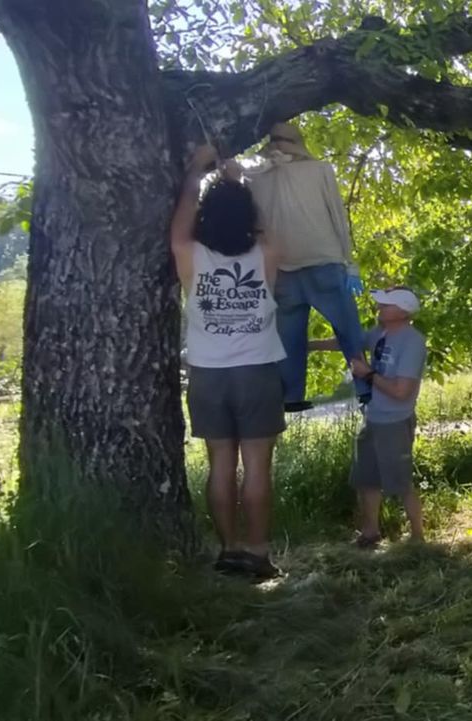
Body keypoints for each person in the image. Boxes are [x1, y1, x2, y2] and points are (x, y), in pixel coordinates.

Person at [169, 145, 286, 580]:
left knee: (221, 462)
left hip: (207, 373)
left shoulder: (190, 255)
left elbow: (179, 228)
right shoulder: (266, 253)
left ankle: (228, 549)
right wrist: (240, 181)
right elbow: (266, 223)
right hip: (257, 370)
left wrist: (196, 175)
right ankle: (258, 551)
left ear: (205, 219)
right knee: (257, 466)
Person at [244, 122, 369, 413]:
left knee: (289, 337)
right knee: (347, 330)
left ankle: (291, 396)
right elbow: (338, 215)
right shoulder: (320, 170)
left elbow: (255, 227)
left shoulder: (255, 179)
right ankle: (365, 386)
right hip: (323, 260)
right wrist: (349, 261)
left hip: (282, 268)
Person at [314, 288, 429, 548]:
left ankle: (419, 538)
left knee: (400, 481)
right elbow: (347, 343)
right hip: (372, 418)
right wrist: (306, 345)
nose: (379, 307)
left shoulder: (412, 342)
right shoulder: (380, 333)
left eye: (386, 305)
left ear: (402, 312)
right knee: (366, 479)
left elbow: (402, 392)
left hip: (395, 422)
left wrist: (367, 374)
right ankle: (370, 533)